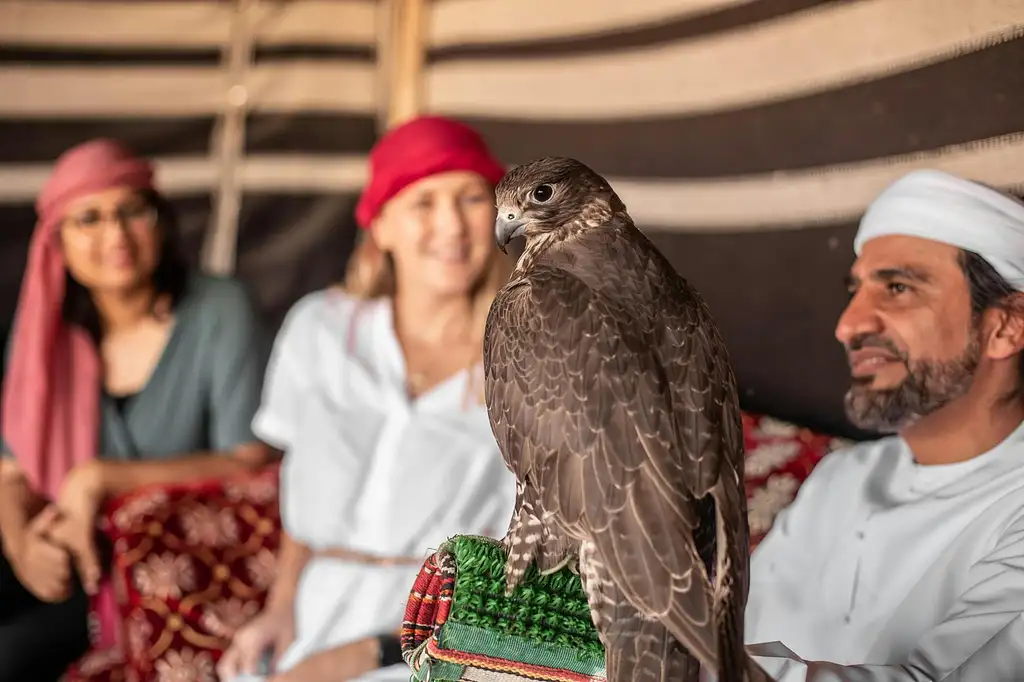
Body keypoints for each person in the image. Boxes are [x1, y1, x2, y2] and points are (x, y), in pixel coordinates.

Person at [216, 116, 519, 682]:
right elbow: (301, 494)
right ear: (380, 226)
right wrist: (279, 610)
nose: (450, 224)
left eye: (471, 197)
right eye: (423, 202)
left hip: (461, 632)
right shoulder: (321, 331)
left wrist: (368, 654)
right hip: (321, 606)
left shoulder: (528, 360)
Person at [0, 139, 275, 681]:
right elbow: (10, 472)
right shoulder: (44, 333)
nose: (116, 235)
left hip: (174, 574)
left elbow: (250, 460)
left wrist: (101, 477)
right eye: (90, 219)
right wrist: (20, 546)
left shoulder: (219, 310)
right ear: (57, 242)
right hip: (67, 560)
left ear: (161, 222)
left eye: (132, 212)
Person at [744, 169, 1024, 680]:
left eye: (897, 287)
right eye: (855, 291)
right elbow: (732, 631)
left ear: (1005, 326)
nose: (848, 325)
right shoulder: (842, 477)